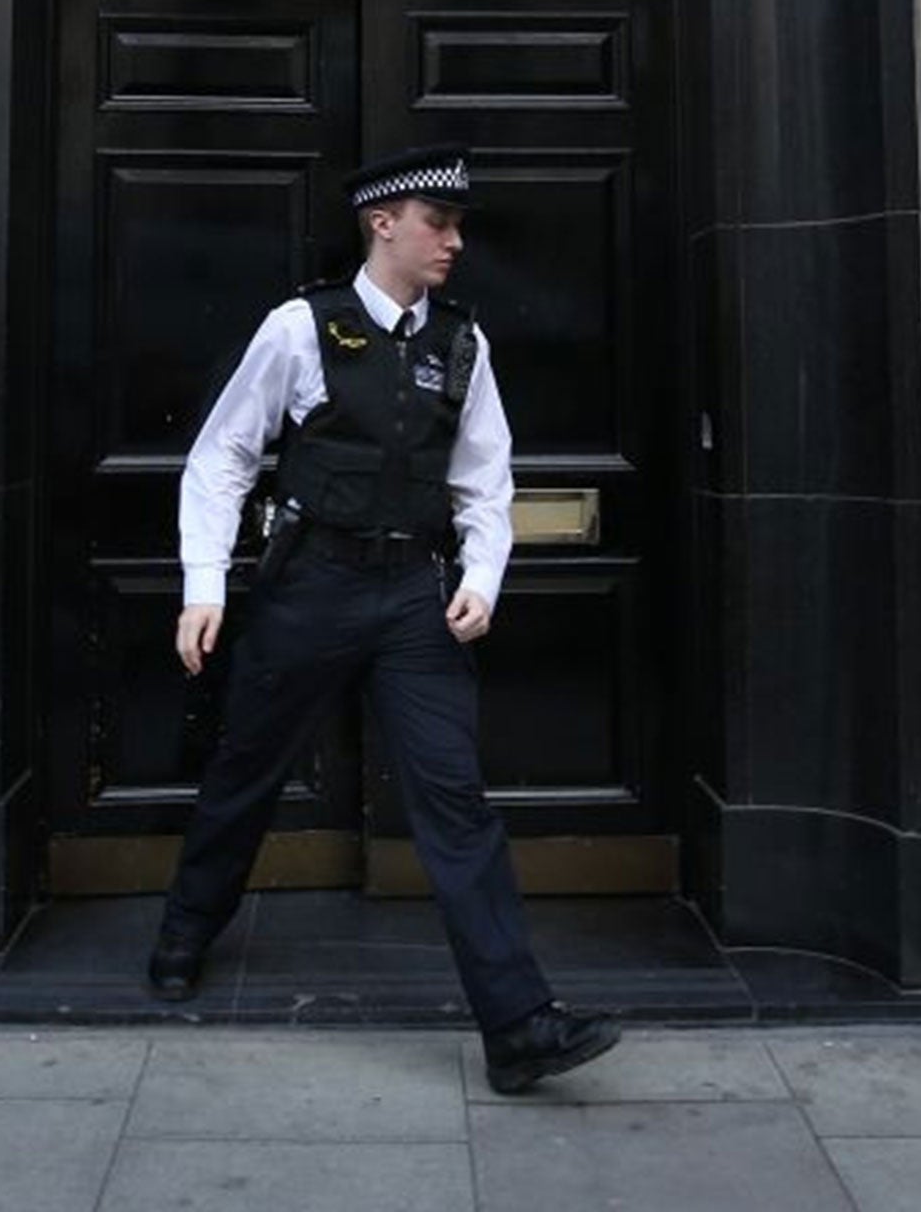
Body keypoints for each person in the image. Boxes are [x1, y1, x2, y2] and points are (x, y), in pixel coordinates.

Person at [146, 142, 621, 1094]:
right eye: (438, 225)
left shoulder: (460, 343)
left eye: (456, 227)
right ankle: (184, 934)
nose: (454, 242)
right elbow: (224, 457)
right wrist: (207, 585)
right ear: (383, 224)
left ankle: (520, 1027)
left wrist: (482, 577)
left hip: (412, 596)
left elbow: (485, 477)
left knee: (456, 805)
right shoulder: (300, 327)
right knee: (246, 771)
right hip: (309, 586)